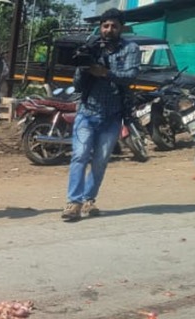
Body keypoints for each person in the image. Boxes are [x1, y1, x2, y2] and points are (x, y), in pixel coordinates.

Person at [61, 8, 139, 222]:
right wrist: (84, 67)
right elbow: (77, 84)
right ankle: (73, 202)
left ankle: (89, 200)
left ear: (121, 28)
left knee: (101, 160)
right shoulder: (91, 47)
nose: (109, 30)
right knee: (79, 155)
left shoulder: (130, 49)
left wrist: (105, 73)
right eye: (105, 26)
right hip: (87, 112)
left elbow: (130, 76)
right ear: (100, 27)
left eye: (114, 26)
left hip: (113, 115)